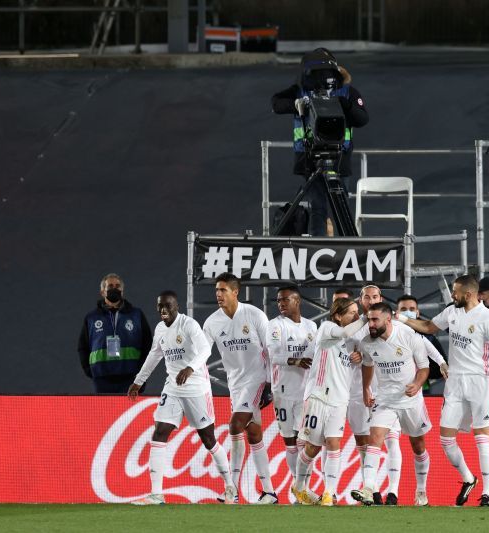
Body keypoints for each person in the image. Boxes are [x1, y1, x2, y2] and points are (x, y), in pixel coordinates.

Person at [398, 274, 489, 507]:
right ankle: (469, 479)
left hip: (480, 381)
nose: (452, 295)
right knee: (445, 439)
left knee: (482, 438)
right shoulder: (452, 312)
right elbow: (429, 327)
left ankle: (488, 494)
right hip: (455, 382)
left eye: (455, 291)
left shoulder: (488, 319)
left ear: (468, 295)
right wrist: (402, 319)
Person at [127, 291, 234, 505]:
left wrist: (190, 368)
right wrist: (139, 381)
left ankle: (230, 486)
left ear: (177, 306)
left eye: (167, 306)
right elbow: (154, 355)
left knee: (209, 439)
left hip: (196, 388)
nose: (163, 310)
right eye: (160, 307)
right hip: (173, 387)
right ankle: (156, 494)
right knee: (159, 432)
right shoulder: (159, 329)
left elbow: (205, 350)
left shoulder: (189, 325)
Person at [271, 48, 369, 236]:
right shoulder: (299, 92)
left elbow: (363, 119)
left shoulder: (347, 93)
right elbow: (276, 103)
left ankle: (348, 253)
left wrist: (346, 105)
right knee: (318, 208)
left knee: (342, 211)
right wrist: (296, 104)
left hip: (340, 160)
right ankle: (320, 254)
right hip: (310, 160)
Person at [202, 273, 277, 504]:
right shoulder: (212, 322)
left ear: (236, 292)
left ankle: (231, 490)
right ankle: (269, 492)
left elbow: (271, 350)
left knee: (235, 425)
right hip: (235, 384)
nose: (218, 294)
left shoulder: (254, 315)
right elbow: (203, 354)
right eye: (217, 290)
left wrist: (270, 383)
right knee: (253, 434)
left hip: (257, 380)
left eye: (223, 290)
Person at [351, 302, 432, 507]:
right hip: (385, 399)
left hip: (410, 399)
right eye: (369, 319)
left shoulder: (409, 337)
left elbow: (424, 368)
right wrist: (366, 388)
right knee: (375, 438)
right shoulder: (367, 343)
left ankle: (421, 490)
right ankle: (368, 488)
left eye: (374, 319)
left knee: (418, 446)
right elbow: (367, 365)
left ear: (388, 320)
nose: (370, 324)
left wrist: (417, 383)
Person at [291, 297, 366, 506]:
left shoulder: (351, 343)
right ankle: (299, 486)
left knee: (334, 444)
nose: (356, 315)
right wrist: (367, 317)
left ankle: (328, 493)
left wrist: (356, 358)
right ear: (338, 316)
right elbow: (344, 332)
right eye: (351, 312)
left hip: (340, 400)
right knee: (312, 447)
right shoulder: (327, 328)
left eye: (357, 312)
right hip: (318, 397)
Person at [347, 284, 403, 505]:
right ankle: (373, 490)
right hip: (358, 392)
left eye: (375, 296)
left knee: (391, 440)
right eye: (367, 297)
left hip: (388, 391)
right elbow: (341, 353)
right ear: (361, 300)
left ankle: (393, 491)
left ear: (381, 298)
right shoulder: (352, 327)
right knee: (364, 443)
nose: (371, 300)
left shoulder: (391, 324)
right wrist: (353, 356)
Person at [266, 286, 317, 493]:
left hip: (307, 392)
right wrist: (296, 360)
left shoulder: (311, 326)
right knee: (290, 442)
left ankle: (302, 487)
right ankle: (299, 487)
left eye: (285, 300)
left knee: (305, 441)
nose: (281, 304)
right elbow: (273, 355)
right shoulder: (275, 326)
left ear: (297, 301)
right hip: (284, 391)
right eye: (278, 300)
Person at [78, 273, 152, 393]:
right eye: (110, 286)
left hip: (132, 378)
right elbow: (82, 347)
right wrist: (90, 370)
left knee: (131, 410)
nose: (114, 289)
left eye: (117, 286)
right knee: (105, 412)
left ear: (122, 291)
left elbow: (148, 345)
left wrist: (141, 373)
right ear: (102, 292)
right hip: (102, 378)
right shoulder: (91, 318)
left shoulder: (136, 315)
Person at [396, 294, 448, 391]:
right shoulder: (387, 332)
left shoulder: (427, 337)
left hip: (420, 389)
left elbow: (439, 367)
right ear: (397, 313)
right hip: (392, 387)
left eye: (411, 309)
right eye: (403, 309)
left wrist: (420, 369)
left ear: (417, 313)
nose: (407, 312)